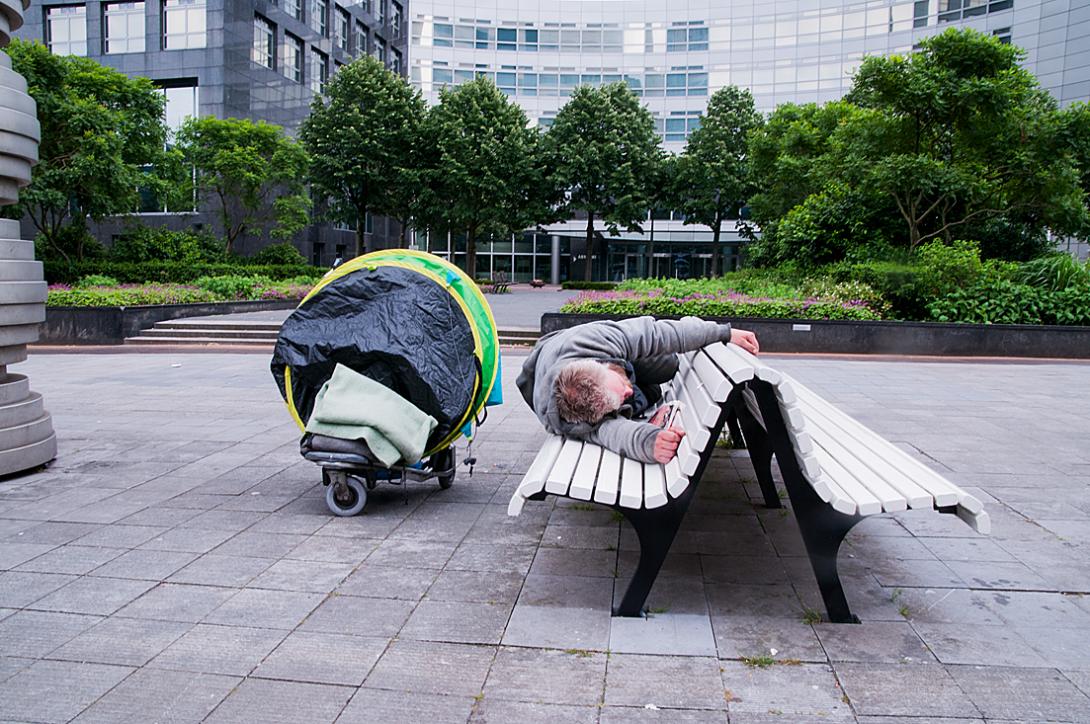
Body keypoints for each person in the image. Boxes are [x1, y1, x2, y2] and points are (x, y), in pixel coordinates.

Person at [517, 316, 759, 464]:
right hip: (559, 375)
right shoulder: (573, 419)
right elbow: (611, 433)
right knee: (645, 396)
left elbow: (656, 333)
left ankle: (636, 375)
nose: (628, 391)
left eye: (621, 384)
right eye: (618, 399)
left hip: (568, 345)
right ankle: (637, 393)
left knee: (669, 365)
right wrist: (650, 441)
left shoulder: (594, 340)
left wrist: (723, 332)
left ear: (601, 363)